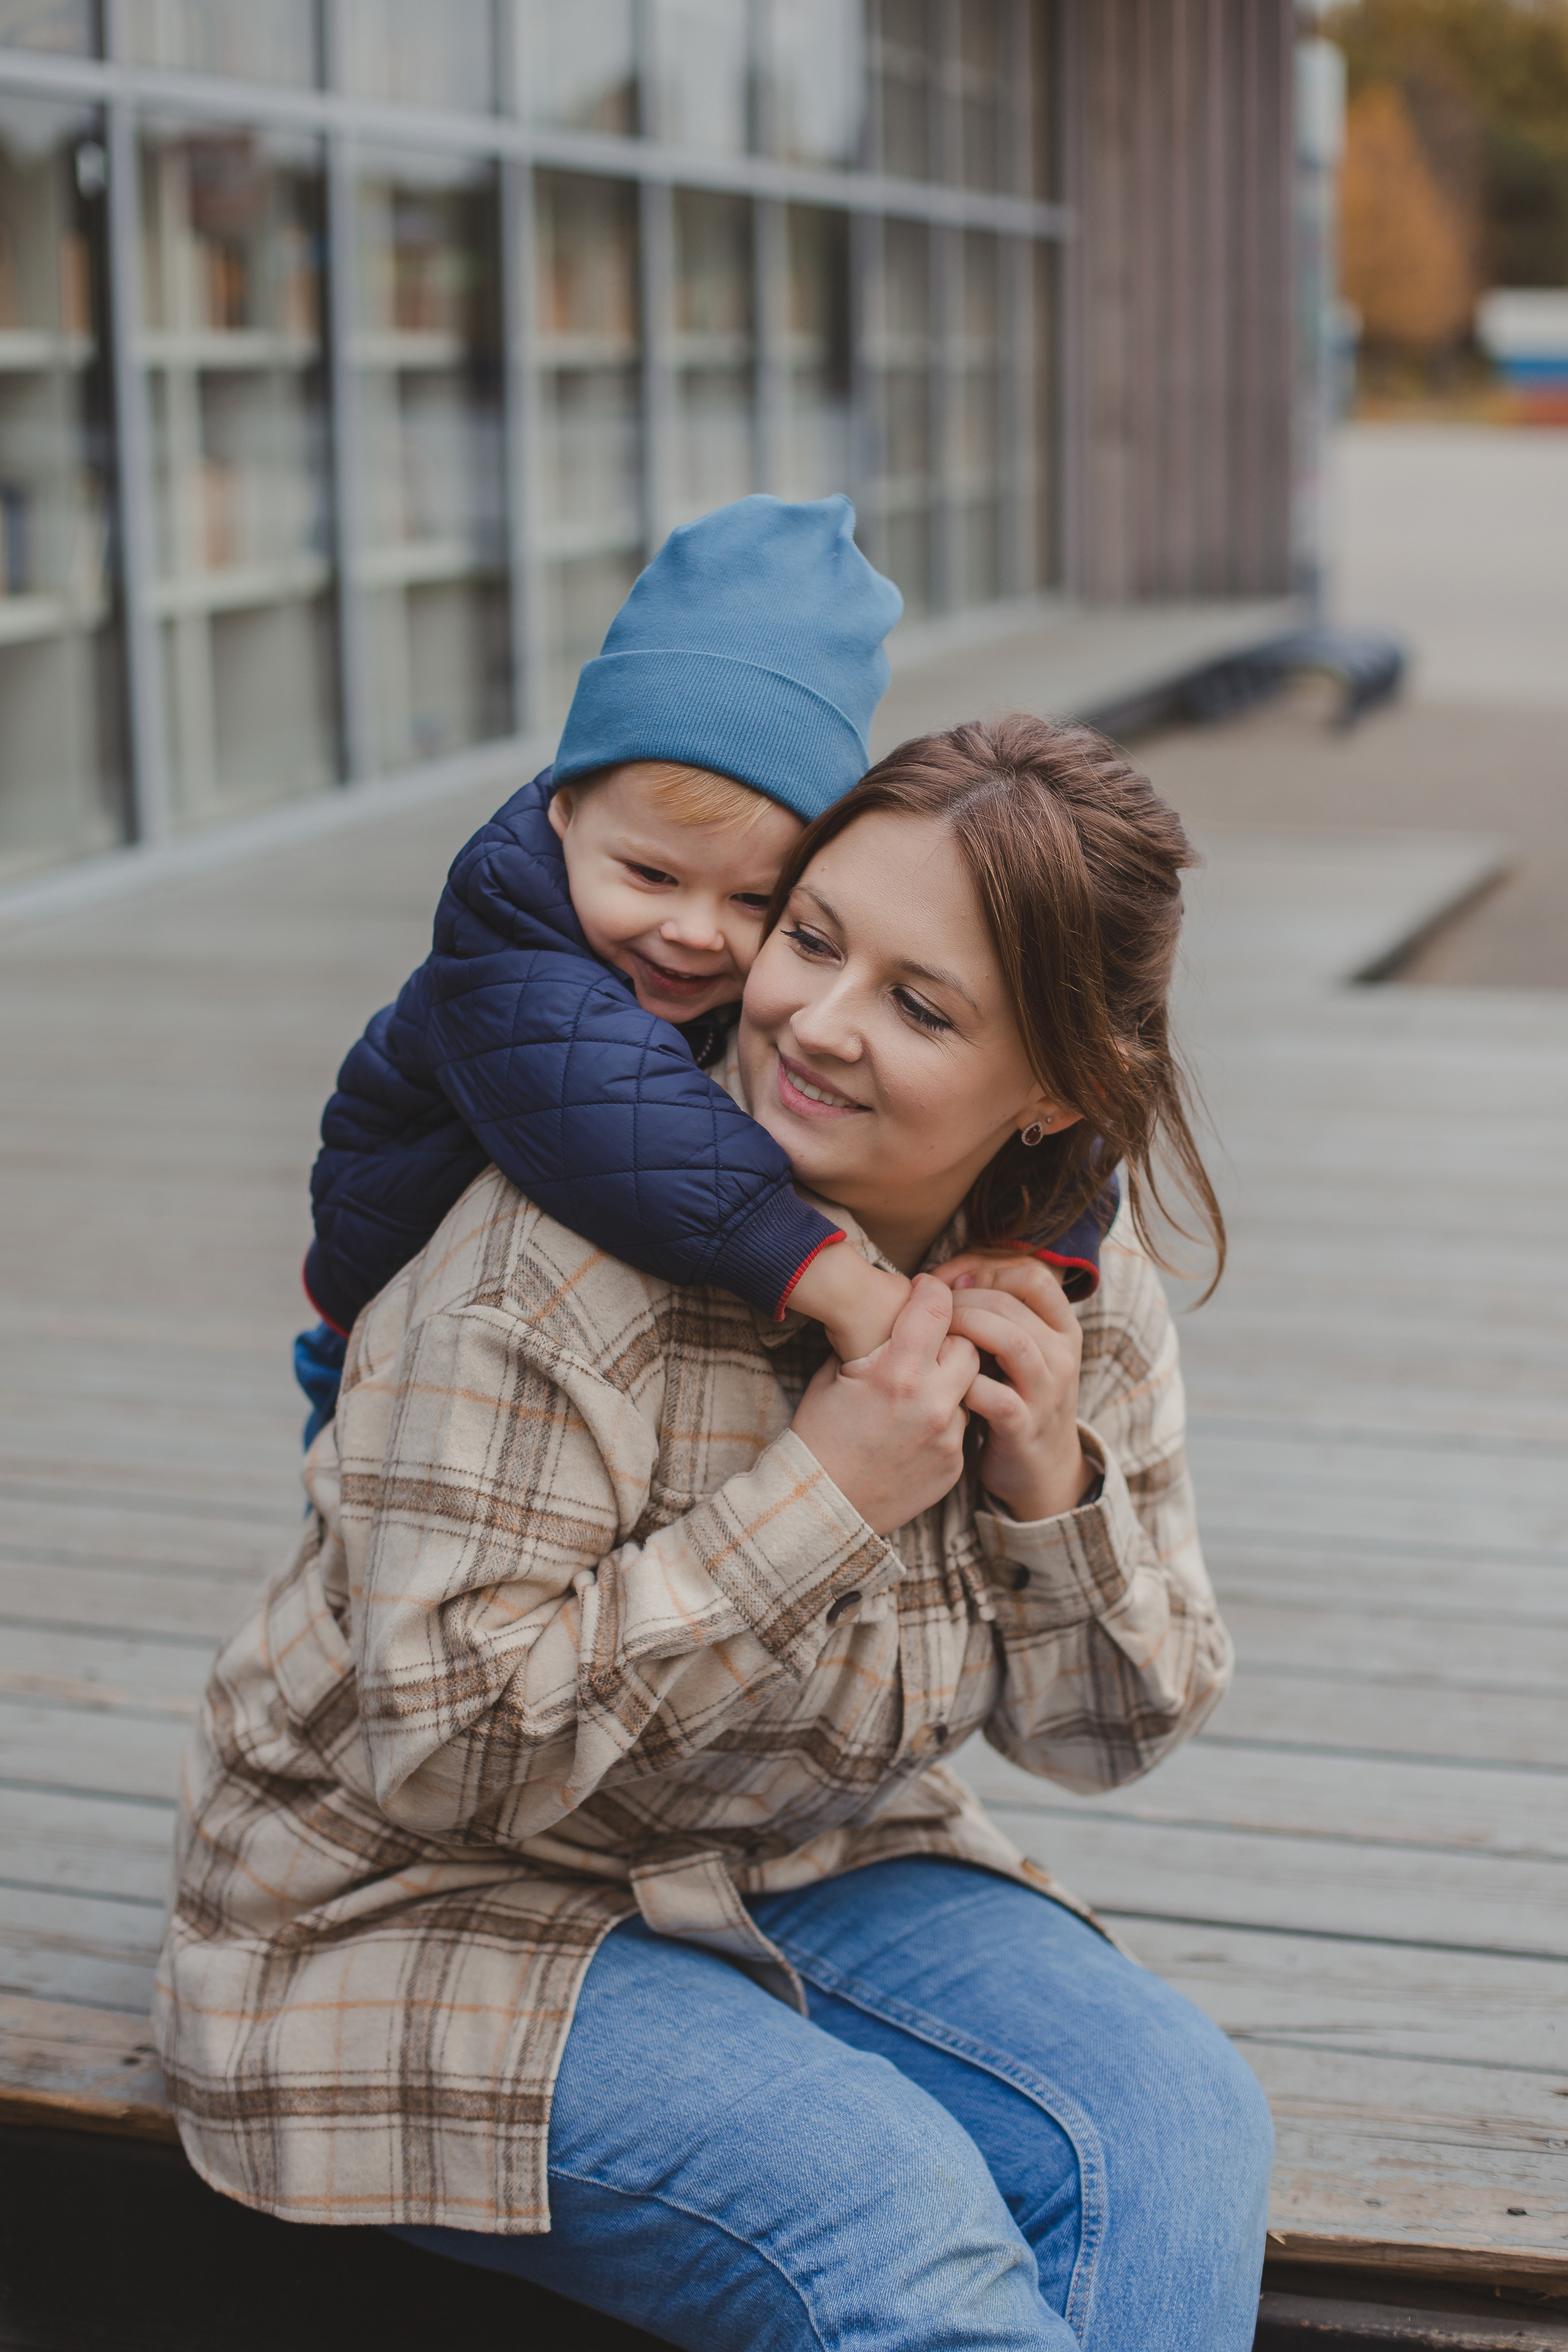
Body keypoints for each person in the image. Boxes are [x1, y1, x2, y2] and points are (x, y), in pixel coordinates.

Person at [154, 715, 1273, 2352]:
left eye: (917, 1001)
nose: (810, 1021)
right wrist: (820, 1496)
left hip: (802, 1854)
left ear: (1048, 1093)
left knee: (1177, 2125)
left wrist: (1048, 1479)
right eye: (810, 936)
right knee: (893, 2216)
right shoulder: (543, 1259)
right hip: (414, 1901)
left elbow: (1114, 1733)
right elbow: (441, 1751)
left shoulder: (1066, 1300)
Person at [294, 495, 1115, 1446]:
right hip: (384, 1333)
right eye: (651, 875)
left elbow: (1065, 1114)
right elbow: (622, 1119)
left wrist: (1033, 1245)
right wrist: (839, 1283)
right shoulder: (507, 935)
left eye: (756, 903)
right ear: (563, 814)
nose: (691, 933)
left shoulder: (667, 928)